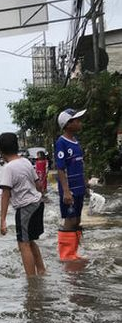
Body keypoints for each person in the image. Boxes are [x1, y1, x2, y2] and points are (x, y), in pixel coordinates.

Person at [0, 132, 46, 276]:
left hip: (26, 209)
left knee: (23, 244)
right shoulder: (25, 162)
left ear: (0, 151)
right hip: (38, 204)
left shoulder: (8, 168)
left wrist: (2, 221)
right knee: (30, 241)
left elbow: (5, 195)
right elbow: (39, 185)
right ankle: (41, 270)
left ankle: (31, 280)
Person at [55, 108, 87, 261]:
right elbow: (60, 169)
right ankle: (66, 256)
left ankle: (74, 253)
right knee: (70, 220)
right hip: (70, 189)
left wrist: (85, 183)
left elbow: (80, 164)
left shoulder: (76, 142)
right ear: (68, 125)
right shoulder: (61, 142)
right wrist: (66, 191)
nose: (79, 122)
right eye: (76, 120)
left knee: (78, 219)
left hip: (80, 187)